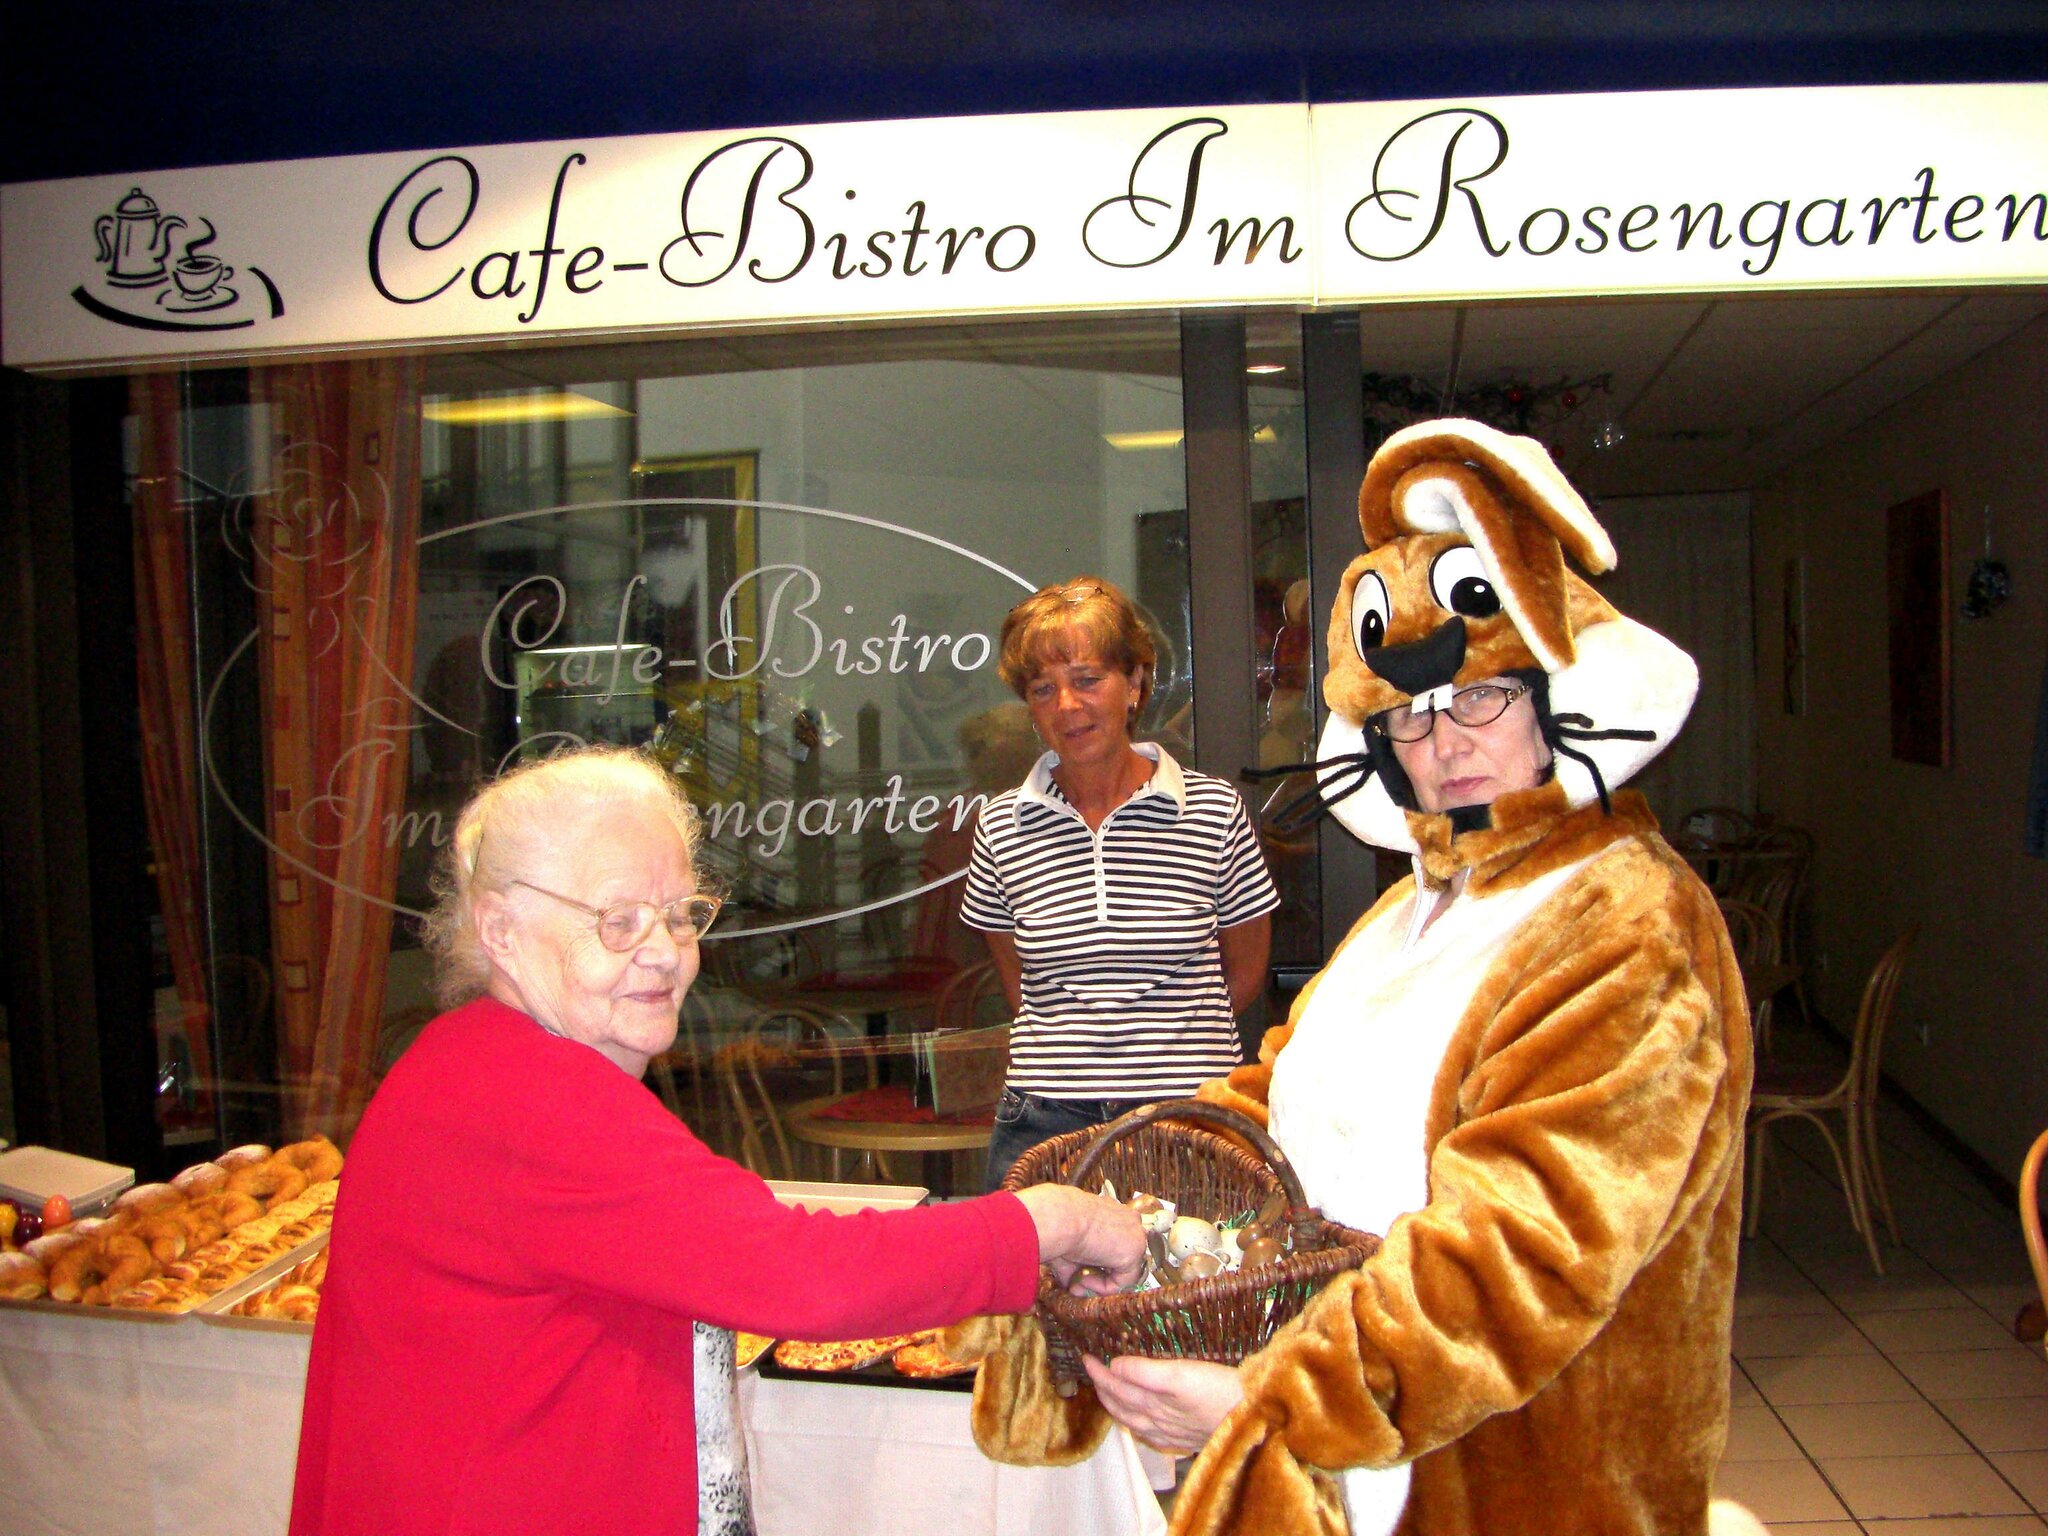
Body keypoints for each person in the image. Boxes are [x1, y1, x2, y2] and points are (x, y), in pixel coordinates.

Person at [961, 422, 1750, 1536]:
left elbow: (1514, 1261)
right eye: (1406, 716)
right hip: (1366, 1458)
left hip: (1510, 1473)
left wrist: (1265, 1400)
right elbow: (1274, 1094)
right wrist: (1114, 1221)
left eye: (1479, 697)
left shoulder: (1624, 922)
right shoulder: (1417, 902)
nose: (1441, 741)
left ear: (1552, 693)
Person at [288, 745, 1143, 1536]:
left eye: (679, 912)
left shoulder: (473, 1060)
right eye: (617, 919)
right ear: (501, 933)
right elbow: (802, 1275)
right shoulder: (532, 1099)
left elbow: (707, 1240)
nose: (664, 952)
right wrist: (1048, 1224)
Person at [961, 576, 1280, 1189]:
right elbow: (1017, 978)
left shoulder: (1213, 811)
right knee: (1044, 1287)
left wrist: (1162, 1053)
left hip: (1191, 1119)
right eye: (1042, 689)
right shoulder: (1000, 823)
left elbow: (1244, 971)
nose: (1067, 706)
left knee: (1196, 1286)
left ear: (1134, 685)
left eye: (1087, 679)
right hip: (1045, 1122)